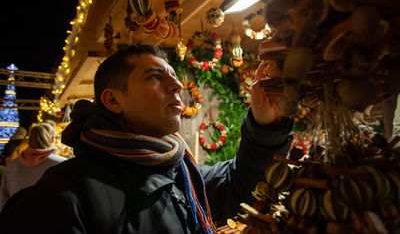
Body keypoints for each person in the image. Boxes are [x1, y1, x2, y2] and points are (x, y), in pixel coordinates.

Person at [0, 45, 293, 233]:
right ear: (113, 100)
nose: (177, 85)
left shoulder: (181, 174)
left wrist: (264, 123)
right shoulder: (62, 197)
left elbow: (241, 185)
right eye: (155, 77)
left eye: (174, 76)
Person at [0, 122, 66, 210]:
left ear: (29, 139)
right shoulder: (62, 165)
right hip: (48, 220)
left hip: (16, 218)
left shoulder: (12, 165)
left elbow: (3, 199)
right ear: (53, 139)